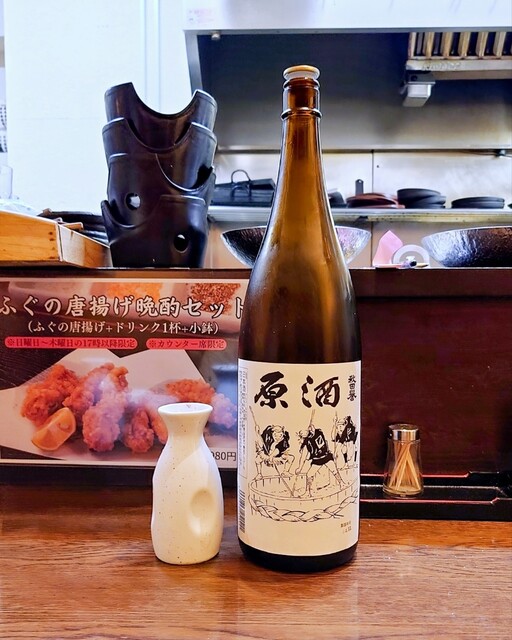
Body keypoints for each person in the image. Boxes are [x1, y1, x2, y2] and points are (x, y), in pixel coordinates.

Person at [296, 422, 341, 496]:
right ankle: (308, 492)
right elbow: (303, 457)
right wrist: (299, 468)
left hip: (326, 456)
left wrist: (314, 431)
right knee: (309, 475)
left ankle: (341, 483)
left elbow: (320, 442)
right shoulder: (306, 443)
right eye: (302, 435)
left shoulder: (318, 433)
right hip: (317, 460)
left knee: (334, 470)